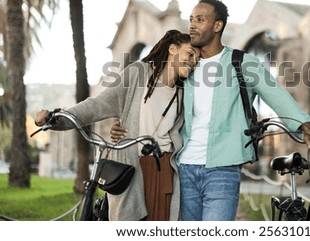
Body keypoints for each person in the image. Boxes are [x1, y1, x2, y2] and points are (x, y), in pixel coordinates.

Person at [177, 0, 310, 221]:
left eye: (200, 19)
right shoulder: (186, 65)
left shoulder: (242, 63)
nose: (192, 25)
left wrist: (303, 124)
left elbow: (276, 95)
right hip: (183, 168)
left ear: (217, 26)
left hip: (223, 169)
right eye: (191, 19)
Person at [34, 30, 200, 221]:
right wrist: (56, 119)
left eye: (197, 58)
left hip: (164, 169)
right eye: (190, 53)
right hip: (131, 167)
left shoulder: (185, 91)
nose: (194, 61)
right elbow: (98, 105)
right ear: (172, 48)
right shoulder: (138, 74)